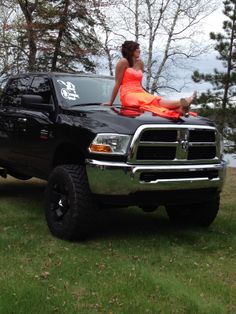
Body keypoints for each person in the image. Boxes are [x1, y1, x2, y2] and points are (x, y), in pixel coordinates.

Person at [102, 40, 197, 119]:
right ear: (130, 50)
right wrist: (111, 102)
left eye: (139, 48)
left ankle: (180, 109)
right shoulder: (123, 62)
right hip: (128, 94)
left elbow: (139, 83)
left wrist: (146, 93)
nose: (139, 50)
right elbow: (117, 83)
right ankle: (183, 101)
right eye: (137, 48)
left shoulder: (140, 63)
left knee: (154, 100)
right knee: (153, 100)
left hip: (139, 92)